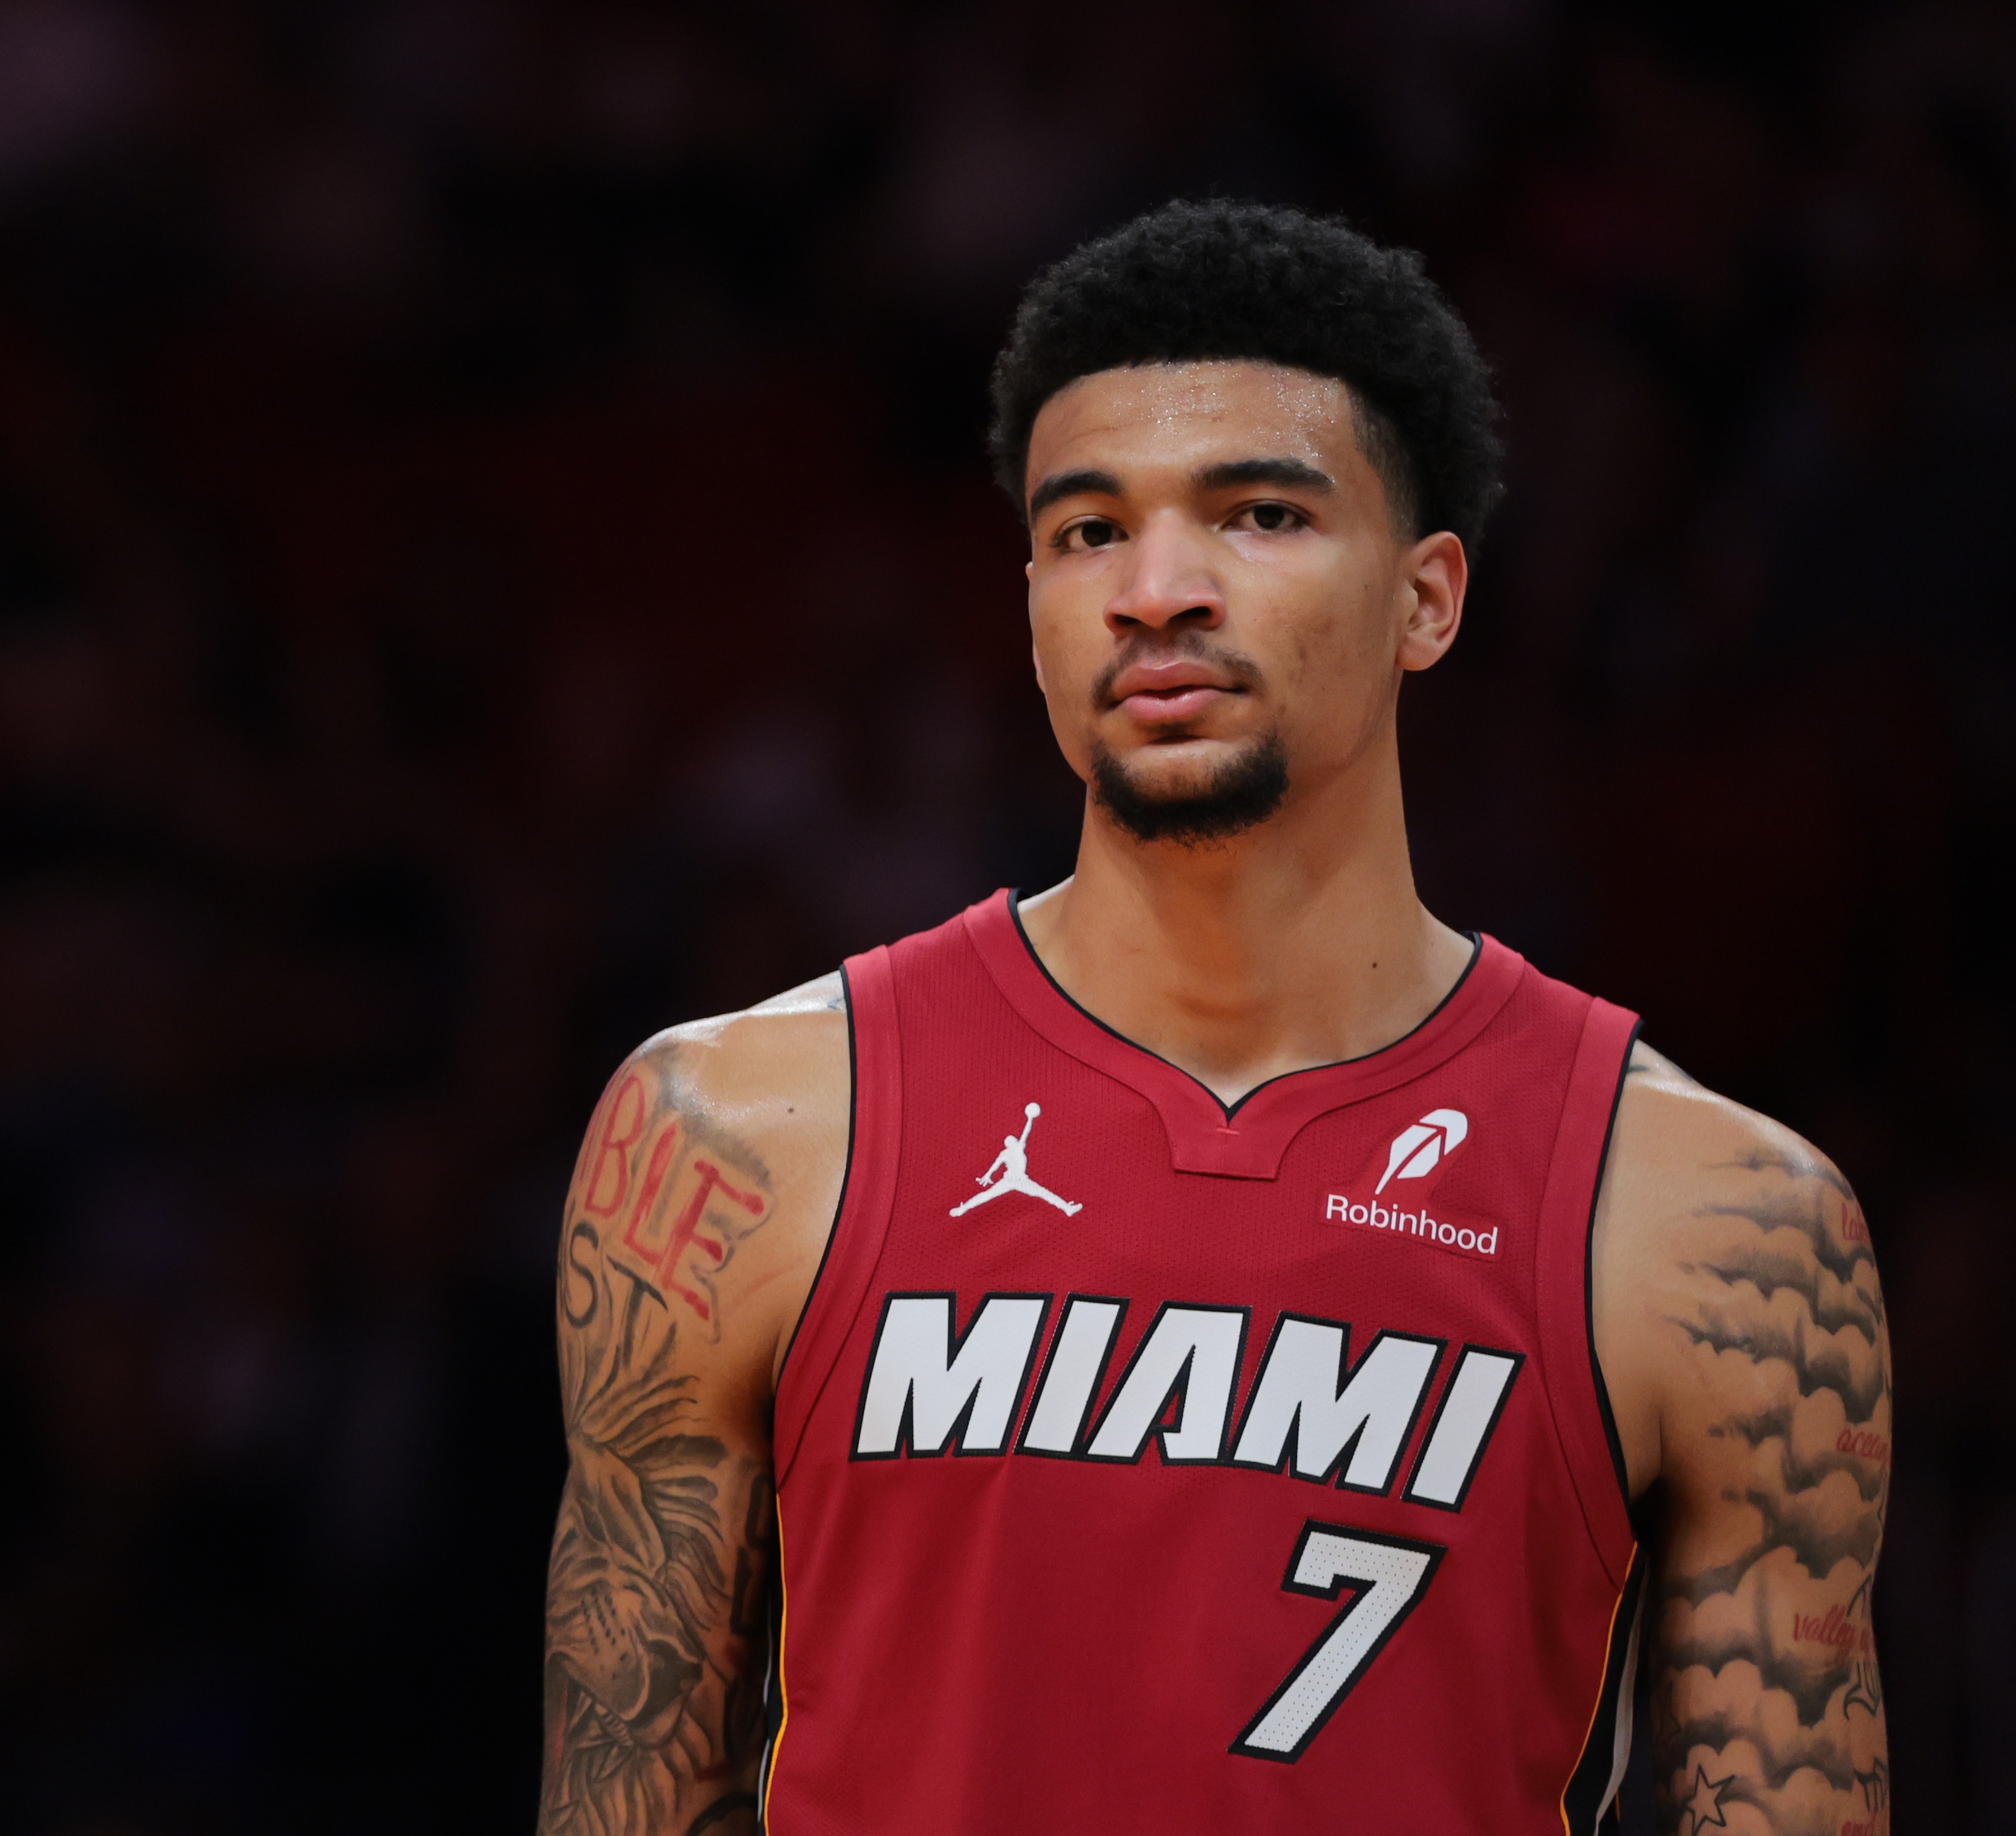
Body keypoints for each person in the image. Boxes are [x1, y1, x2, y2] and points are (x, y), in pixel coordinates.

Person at [537, 201, 1891, 1835]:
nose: (1156, 591)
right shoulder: (731, 1136)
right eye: (1087, 530)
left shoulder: (1721, 1227)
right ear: (1030, 604)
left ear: (1428, 600)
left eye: (1259, 514)